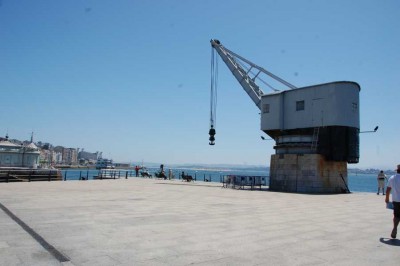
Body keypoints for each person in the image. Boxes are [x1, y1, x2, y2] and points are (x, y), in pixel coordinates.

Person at [385, 164, 400, 239]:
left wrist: (387, 198)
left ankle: (395, 228)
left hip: (396, 200)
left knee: (396, 215)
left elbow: (388, 190)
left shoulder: (392, 178)